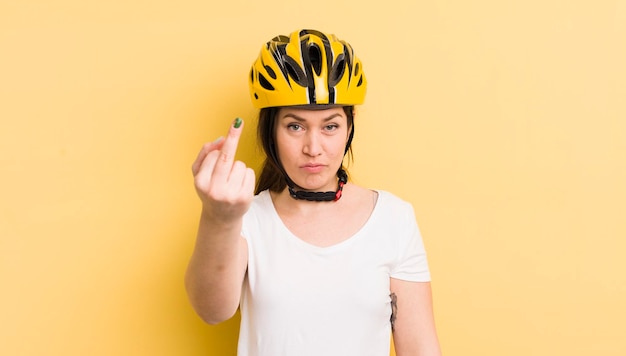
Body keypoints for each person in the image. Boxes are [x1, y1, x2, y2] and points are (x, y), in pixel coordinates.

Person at [186, 29, 442, 356]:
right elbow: (212, 310)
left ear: (349, 129)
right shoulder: (246, 218)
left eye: (330, 126)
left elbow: (421, 349)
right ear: (271, 132)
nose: (313, 148)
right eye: (295, 126)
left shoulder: (394, 218)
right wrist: (218, 218)